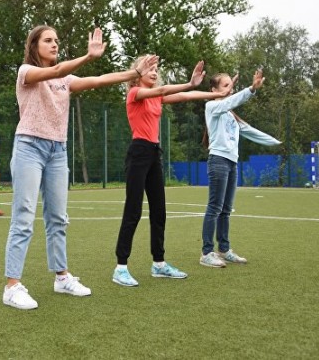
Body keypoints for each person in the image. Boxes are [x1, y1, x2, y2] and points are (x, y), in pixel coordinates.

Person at [2, 25, 157, 310]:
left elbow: (98, 80)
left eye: (57, 40)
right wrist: (87, 57)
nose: (54, 44)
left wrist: (134, 74)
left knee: (58, 218)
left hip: (57, 151)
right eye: (48, 40)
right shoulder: (26, 72)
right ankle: (12, 286)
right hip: (29, 148)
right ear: (34, 45)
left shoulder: (66, 80)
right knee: (24, 216)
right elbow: (56, 71)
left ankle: (61, 277)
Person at [112, 56, 227, 287]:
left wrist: (213, 94)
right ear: (138, 73)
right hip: (138, 153)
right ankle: (121, 267)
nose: (154, 72)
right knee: (133, 210)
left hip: (154, 153)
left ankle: (159, 264)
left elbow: (184, 96)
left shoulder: (157, 97)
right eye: (149, 69)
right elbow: (170, 89)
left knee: (159, 211)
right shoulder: (134, 93)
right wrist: (190, 83)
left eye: (156, 69)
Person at [199, 69, 281, 268]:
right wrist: (251, 89)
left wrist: (276, 142)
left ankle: (224, 249)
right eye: (225, 86)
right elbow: (229, 101)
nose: (229, 89)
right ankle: (207, 252)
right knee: (215, 207)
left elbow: (249, 130)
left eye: (231, 86)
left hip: (231, 162)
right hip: (218, 161)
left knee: (226, 210)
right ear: (213, 90)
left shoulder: (231, 115)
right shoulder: (212, 106)